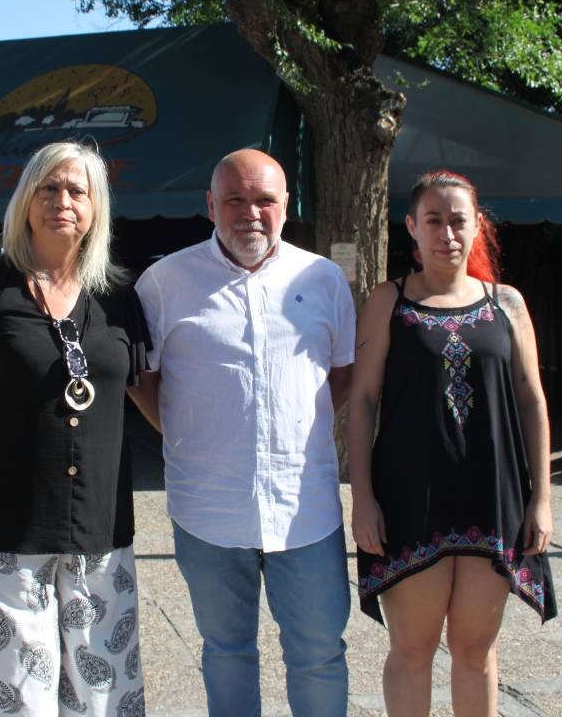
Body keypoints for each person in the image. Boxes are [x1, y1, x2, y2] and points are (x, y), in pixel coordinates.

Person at [0, 141, 150, 717]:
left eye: (78, 190)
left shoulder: (118, 299)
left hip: (100, 532)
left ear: (96, 207)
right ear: (26, 201)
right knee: (16, 701)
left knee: (105, 696)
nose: (62, 201)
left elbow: (147, 392)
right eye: (48, 188)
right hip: (4, 532)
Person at [133, 148, 355, 717]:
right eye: (234, 200)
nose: (249, 213)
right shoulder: (164, 283)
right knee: (226, 652)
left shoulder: (324, 279)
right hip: (207, 511)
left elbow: (344, 375)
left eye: (264, 200)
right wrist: (186, 435)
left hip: (305, 510)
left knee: (319, 654)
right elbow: (143, 380)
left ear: (287, 205)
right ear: (210, 205)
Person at [347, 170, 557, 717]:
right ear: (412, 228)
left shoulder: (505, 303)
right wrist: (362, 496)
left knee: (475, 651)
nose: (447, 233)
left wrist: (542, 499)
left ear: (476, 225)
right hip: (408, 496)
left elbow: (532, 401)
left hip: (492, 494)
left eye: (458, 220)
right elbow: (363, 400)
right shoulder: (387, 301)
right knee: (412, 649)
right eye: (433, 220)